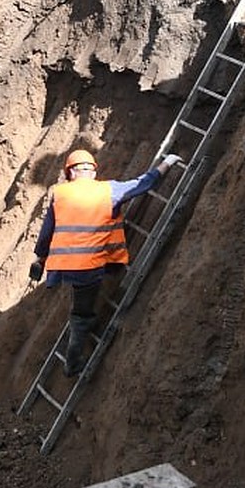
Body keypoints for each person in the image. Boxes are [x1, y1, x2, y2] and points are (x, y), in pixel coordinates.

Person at [29, 146, 181, 377]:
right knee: (82, 314)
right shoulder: (108, 190)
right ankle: (73, 361)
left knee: (80, 296)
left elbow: (46, 232)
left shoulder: (59, 193)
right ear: (92, 171)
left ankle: (81, 317)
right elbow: (143, 183)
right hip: (88, 268)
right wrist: (167, 162)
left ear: (70, 173)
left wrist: (40, 257)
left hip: (62, 268)